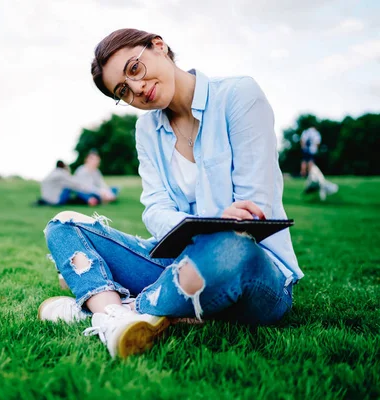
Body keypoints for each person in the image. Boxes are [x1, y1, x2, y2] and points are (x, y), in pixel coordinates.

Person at [38, 29, 303, 358]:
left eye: (134, 69)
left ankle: (114, 306)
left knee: (229, 245)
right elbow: (154, 209)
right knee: (64, 225)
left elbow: (255, 208)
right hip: (174, 263)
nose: (137, 89)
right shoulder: (146, 130)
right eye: (123, 90)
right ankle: (123, 315)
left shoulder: (238, 95)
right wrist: (200, 222)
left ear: (159, 47)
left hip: (249, 265)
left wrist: (214, 226)